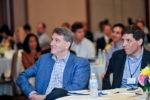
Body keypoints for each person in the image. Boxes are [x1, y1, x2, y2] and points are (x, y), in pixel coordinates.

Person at [17, 28, 90, 100]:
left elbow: (76, 88)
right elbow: (22, 76)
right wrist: (32, 93)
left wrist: (44, 97)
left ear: (67, 45)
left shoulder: (80, 63)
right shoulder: (43, 59)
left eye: (57, 40)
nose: (51, 43)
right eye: (52, 39)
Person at [103, 25, 150, 90]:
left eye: (128, 40)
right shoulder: (117, 56)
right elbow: (106, 81)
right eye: (123, 40)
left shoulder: (148, 58)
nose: (124, 44)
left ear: (139, 41)